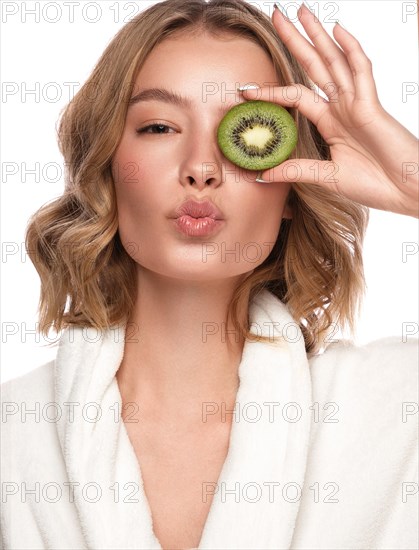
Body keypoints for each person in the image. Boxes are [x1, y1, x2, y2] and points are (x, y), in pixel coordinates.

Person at [1, 1, 418, 549]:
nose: (201, 166)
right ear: (107, 166)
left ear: (294, 184)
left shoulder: (393, 408)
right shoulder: (14, 437)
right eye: (158, 126)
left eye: (240, 132)